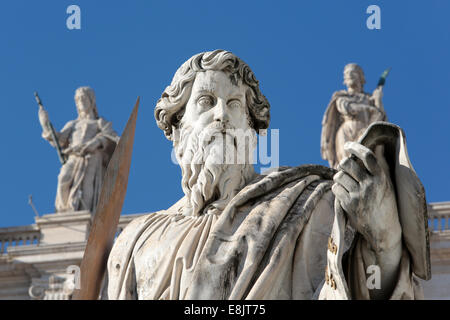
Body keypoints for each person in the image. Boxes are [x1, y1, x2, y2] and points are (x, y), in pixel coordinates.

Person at [103, 50, 429, 300]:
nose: (222, 115)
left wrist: (384, 237)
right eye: (206, 101)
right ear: (177, 127)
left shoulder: (311, 204)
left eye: (234, 104)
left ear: (252, 129)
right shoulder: (133, 241)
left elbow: (364, 288)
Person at [38, 87, 119, 213]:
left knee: (87, 187)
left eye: (82, 98)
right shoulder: (73, 124)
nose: (79, 101)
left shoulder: (99, 123)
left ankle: (83, 213)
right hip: (74, 156)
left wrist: (96, 142)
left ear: (91, 100)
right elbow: (58, 140)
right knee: (63, 179)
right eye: (77, 99)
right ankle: (64, 211)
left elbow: (114, 139)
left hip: (92, 158)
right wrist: (45, 123)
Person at [321, 63, 386, 169]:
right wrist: (367, 108)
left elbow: (382, 119)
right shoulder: (341, 96)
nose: (349, 74)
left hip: (366, 131)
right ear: (344, 80)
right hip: (346, 131)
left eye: (353, 72)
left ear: (361, 77)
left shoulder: (369, 98)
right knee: (346, 163)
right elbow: (345, 107)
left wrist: (378, 100)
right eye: (346, 73)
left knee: (371, 162)